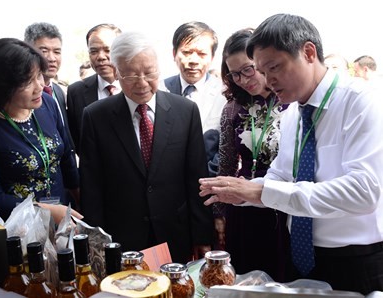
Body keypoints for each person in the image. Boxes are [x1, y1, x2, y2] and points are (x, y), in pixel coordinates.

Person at [199, 13, 383, 294]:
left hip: (356, 260)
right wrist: (243, 192)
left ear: (308, 52)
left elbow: (364, 191)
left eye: (274, 67)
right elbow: (281, 176)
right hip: (301, 257)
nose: (268, 80)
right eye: (261, 70)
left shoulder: (360, 101)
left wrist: (261, 193)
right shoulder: (294, 113)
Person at [79, 31, 214, 264]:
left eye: (148, 73)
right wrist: (97, 243)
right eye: (130, 75)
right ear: (117, 72)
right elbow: (92, 187)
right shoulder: (95, 117)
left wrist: (202, 235)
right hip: (122, 238)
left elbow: (196, 179)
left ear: (158, 68)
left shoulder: (185, 111)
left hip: (174, 233)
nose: (142, 83)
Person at [0, 38, 81, 222]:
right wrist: (44, 211)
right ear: (2, 86)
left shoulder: (47, 104)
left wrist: (78, 195)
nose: (39, 86)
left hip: (63, 217)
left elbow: (65, 155)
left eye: (39, 75)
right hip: (19, 229)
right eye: (27, 82)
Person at [211, 28, 290, 281]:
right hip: (243, 205)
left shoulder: (291, 101)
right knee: (246, 277)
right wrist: (220, 215)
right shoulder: (233, 108)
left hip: (285, 202)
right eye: (234, 74)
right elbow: (225, 164)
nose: (243, 79)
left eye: (248, 69)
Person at [159, 21, 226, 169]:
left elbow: (225, 149)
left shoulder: (225, 95)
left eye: (202, 54)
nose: (194, 61)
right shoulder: (158, 90)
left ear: (212, 57)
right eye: (187, 52)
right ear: (174, 54)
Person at [24, 22, 78, 207]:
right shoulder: (20, 99)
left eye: (57, 51)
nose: (51, 58)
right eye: (44, 50)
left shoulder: (59, 92)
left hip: (62, 192)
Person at [67, 23, 122, 155]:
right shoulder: (76, 92)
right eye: (94, 51)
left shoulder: (138, 87)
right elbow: (77, 139)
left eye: (107, 50)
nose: (101, 57)